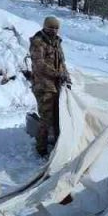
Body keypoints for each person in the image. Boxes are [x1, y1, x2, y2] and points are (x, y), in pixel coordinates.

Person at [28, 16, 70, 157]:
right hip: (43, 86)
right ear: (45, 27)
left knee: (59, 117)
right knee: (46, 118)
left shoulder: (57, 42)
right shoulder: (38, 42)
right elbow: (39, 65)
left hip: (56, 86)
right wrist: (58, 74)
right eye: (51, 27)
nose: (53, 30)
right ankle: (41, 148)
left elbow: (62, 62)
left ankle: (58, 145)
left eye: (56, 28)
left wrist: (67, 77)